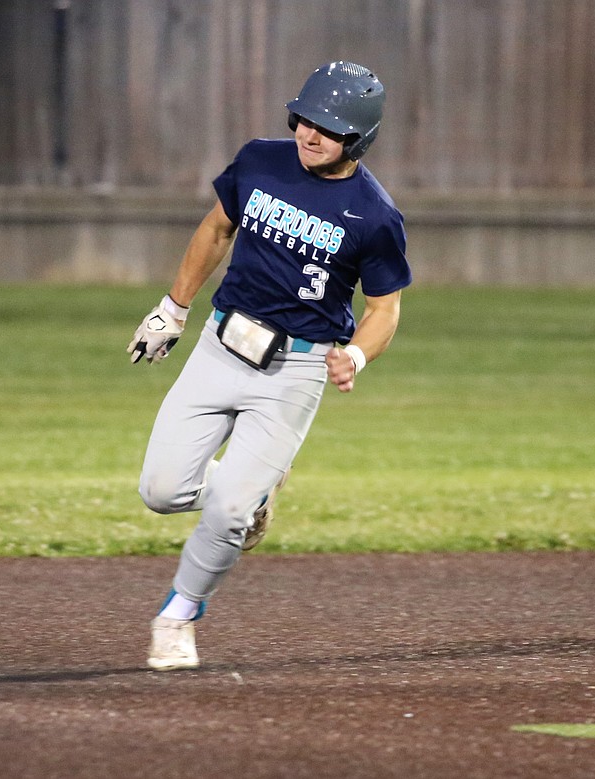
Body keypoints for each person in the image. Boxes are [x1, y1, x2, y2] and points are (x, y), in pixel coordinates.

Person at [127, 61, 412, 671]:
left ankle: (181, 612)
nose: (310, 134)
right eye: (305, 119)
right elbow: (215, 229)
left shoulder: (375, 214)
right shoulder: (260, 160)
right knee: (161, 491)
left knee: (225, 511)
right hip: (218, 344)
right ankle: (251, 497)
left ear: (358, 139)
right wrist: (172, 310)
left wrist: (357, 352)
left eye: (329, 128)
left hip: (296, 372)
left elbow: (385, 308)